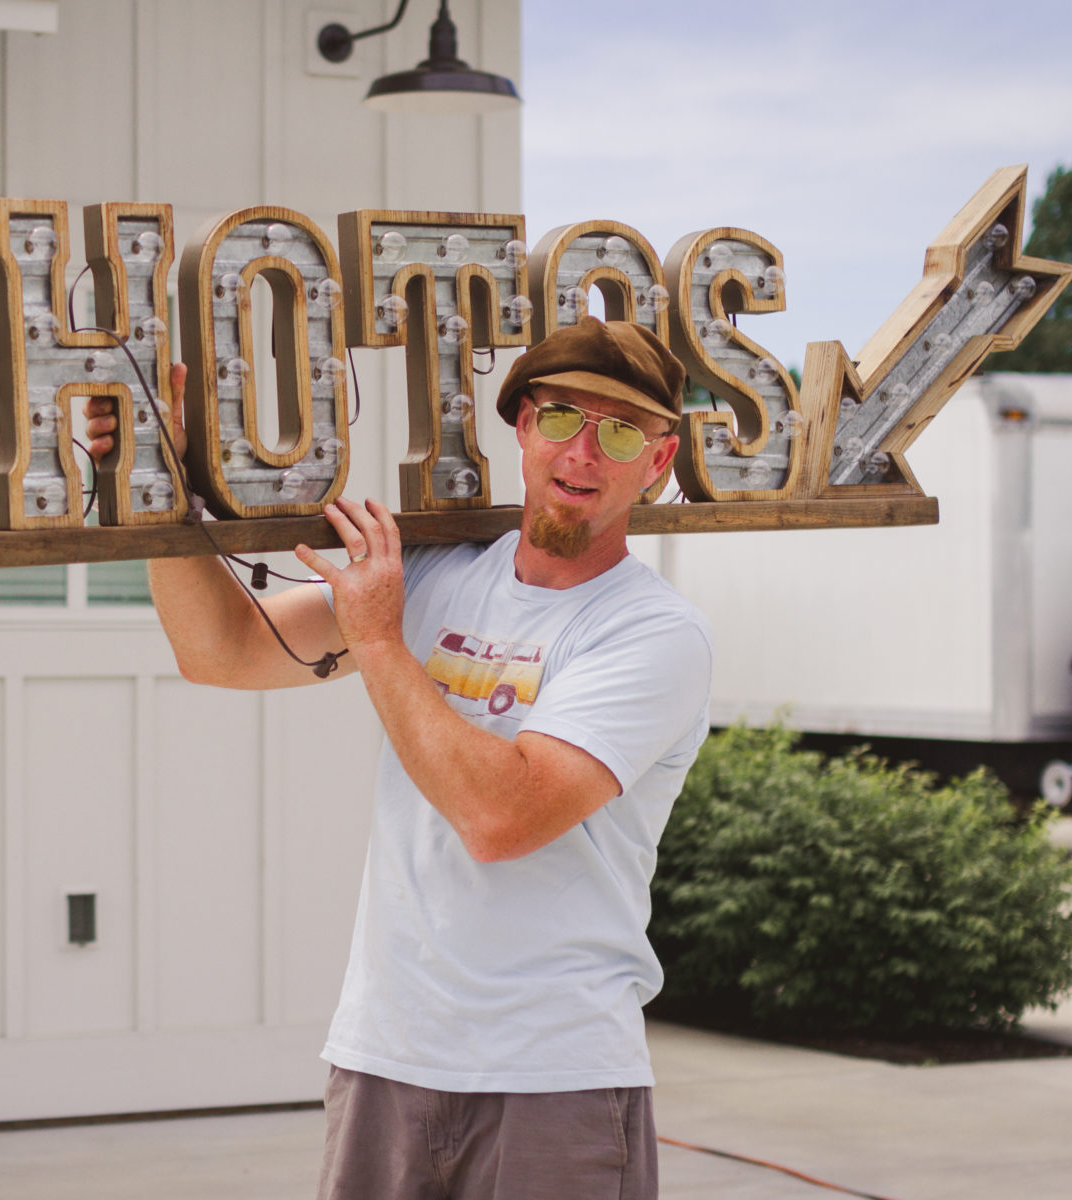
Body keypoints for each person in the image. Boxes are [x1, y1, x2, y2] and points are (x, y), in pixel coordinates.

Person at [87, 316, 713, 1200]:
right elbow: (221, 649)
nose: (585, 453)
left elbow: (503, 819)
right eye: (565, 419)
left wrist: (380, 641)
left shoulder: (653, 634)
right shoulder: (435, 573)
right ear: (524, 426)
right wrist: (153, 491)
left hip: (552, 1078)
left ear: (657, 460)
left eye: (620, 432)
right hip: (385, 1057)